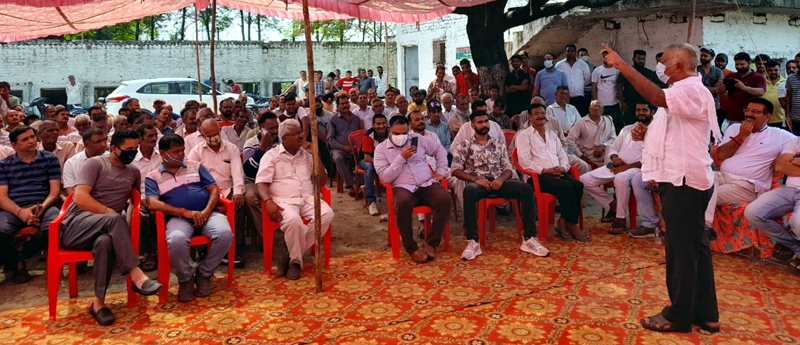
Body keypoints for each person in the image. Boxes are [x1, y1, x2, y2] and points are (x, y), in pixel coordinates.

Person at [603, 42, 721, 333]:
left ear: (679, 66)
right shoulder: (683, 92)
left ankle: (678, 316)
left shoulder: (690, 89)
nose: (661, 66)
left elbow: (656, 96)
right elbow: (675, 129)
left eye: (664, 61)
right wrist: (648, 134)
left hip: (684, 183)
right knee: (696, 249)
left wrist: (621, 65)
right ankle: (706, 313)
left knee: (681, 252)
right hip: (684, 180)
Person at [60, 129, 163, 326]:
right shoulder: (96, 164)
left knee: (105, 242)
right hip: (77, 227)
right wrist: (108, 212)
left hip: (106, 231)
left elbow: (133, 204)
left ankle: (98, 304)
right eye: (128, 149)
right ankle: (136, 275)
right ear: (114, 148)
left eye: (136, 149)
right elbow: (80, 197)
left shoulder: (133, 171)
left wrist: (128, 234)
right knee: (116, 218)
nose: (132, 153)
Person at [145, 134, 234, 303]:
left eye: (182, 150)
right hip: (179, 217)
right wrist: (184, 212)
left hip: (207, 213)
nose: (181, 154)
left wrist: (206, 212)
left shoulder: (196, 166)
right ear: (163, 153)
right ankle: (185, 278)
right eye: (176, 151)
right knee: (176, 239)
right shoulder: (153, 176)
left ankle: (204, 274)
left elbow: (214, 190)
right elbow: (153, 204)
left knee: (225, 233)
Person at [452, 110, 548, 261]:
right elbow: (455, 170)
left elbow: (508, 168)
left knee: (527, 189)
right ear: (472, 125)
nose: (484, 125)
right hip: (479, 184)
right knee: (469, 191)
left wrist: (501, 180)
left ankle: (529, 239)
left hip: (499, 182)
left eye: (486, 121)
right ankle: (473, 242)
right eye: (480, 122)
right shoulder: (465, 145)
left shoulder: (498, 144)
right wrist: (477, 180)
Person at [256, 119, 332, 279]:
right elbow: (261, 183)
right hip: (282, 200)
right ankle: (296, 262)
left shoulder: (307, 155)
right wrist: (268, 202)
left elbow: (322, 180)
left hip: (307, 199)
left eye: (301, 133)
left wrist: (315, 155)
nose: (300, 137)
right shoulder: (271, 156)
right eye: (296, 134)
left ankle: (290, 254)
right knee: (293, 221)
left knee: (326, 214)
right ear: (284, 138)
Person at [705, 97, 795, 230]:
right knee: (701, 182)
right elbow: (721, 155)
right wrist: (741, 136)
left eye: (755, 112)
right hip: (723, 176)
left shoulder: (779, 135)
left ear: (768, 117)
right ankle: (704, 228)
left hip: (748, 184)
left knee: (704, 194)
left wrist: (783, 156)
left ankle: (704, 227)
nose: (749, 115)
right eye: (747, 110)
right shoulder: (735, 128)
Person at [374, 115, 450, 263]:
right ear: (389, 131)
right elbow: (386, 177)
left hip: (426, 183)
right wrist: (401, 158)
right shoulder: (381, 150)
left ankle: (431, 243)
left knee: (444, 200)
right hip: (403, 186)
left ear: (408, 130)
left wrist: (440, 172)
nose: (401, 137)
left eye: (404, 133)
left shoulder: (417, 140)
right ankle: (411, 247)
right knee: (402, 203)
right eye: (397, 134)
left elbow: (439, 150)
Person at [516, 103, 587, 242]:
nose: (540, 116)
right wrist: (545, 170)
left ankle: (563, 221)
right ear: (530, 117)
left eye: (542, 113)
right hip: (537, 176)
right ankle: (571, 224)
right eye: (536, 114)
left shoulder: (552, 134)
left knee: (578, 186)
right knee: (566, 187)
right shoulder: (524, 135)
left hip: (557, 172)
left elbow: (562, 155)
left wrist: (563, 167)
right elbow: (524, 162)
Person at [0, 126, 61, 284]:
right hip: (14, 207)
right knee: (2, 230)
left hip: (44, 204)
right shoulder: (4, 165)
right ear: (14, 145)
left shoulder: (49, 159)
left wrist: (42, 207)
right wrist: (20, 212)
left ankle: (25, 253)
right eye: (25, 139)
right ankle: (17, 264)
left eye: (32, 137)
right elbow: (2, 197)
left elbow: (54, 191)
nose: (31, 141)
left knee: (54, 226)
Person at [580, 102, 652, 234]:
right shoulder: (627, 129)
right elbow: (614, 148)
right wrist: (614, 158)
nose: (641, 113)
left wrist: (627, 167)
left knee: (620, 178)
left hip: (638, 169)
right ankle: (612, 204)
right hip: (618, 166)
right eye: (638, 110)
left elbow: (651, 158)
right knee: (584, 180)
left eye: (644, 110)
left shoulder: (655, 132)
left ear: (652, 112)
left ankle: (620, 218)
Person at [188, 119, 245, 267]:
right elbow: (191, 177)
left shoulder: (231, 148)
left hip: (227, 188)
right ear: (202, 134)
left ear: (220, 131)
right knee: (198, 207)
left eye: (216, 133)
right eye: (209, 135)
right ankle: (204, 249)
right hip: (206, 191)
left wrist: (238, 191)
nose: (214, 138)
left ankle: (234, 247)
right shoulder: (196, 151)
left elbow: (237, 173)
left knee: (238, 203)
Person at [745, 133, 800, 274]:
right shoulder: (796, 141)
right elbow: (780, 166)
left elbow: (786, 164)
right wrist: (788, 163)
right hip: (789, 190)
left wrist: (794, 161)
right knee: (752, 212)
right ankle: (796, 248)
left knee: (798, 223)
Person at [243, 112, 280, 242]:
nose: (275, 131)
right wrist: (262, 149)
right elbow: (248, 171)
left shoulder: (282, 142)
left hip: (278, 182)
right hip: (254, 182)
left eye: (277, 127)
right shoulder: (251, 143)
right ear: (262, 129)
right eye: (271, 128)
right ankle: (265, 237)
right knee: (249, 197)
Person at [617, 50, 664, 126]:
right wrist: (622, 102)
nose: (641, 61)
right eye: (638, 59)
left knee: (646, 124)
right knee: (630, 125)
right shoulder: (626, 71)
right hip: (630, 104)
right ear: (633, 59)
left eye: (643, 59)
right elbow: (619, 86)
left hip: (645, 105)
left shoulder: (649, 73)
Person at [327, 95, 362, 196]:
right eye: (342, 104)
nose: (345, 105)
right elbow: (330, 139)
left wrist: (357, 146)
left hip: (355, 149)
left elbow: (360, 135)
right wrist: (343, 147)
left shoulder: (356, 118)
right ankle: (351, 185)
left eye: (346, 103)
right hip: (339, 148)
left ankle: (359, 184)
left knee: (365, 158)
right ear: (337, 106)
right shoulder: (333, 120)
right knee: (338, 158)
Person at [567, 100, 616, 168]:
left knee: (611, 150)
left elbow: (613, 138)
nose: (597, 108)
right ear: (589, 109)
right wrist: (581, 156)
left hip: (606, 155)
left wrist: (602, 146)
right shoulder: (581, 122)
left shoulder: (608, 120)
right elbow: (570, 140)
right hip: (589, 157)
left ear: (602, 111)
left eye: (599, 107)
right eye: (595, 106)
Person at [725, 52, 767, 128]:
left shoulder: (758, 77)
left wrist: (745, 88)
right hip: (733, 117)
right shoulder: (731, 76)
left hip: (751, 117)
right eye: (737, 64)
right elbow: (722, 91)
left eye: (742, 64)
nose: (739, 67)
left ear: (749, 63)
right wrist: (720, 86)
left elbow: (761, 92)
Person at [63, 128, 107, 196]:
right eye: (98, 142)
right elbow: (71, 192)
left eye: (105, 140)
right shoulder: (71, 163)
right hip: (82, 202)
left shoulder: (111, 158)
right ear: (86, 145)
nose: (104, 144)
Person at [360, 114, 388, 216]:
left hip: (384, 161)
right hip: (366, 160)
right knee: (369, 167)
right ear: (373, 125)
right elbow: (367, 158)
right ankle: (371, 202)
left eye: (383, 123)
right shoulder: (369, 135)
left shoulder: (391, 133)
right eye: (378, 124)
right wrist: (383, 164)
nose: (381, 126)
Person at [592, 49, 622, 133]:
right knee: (601, 127)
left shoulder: (617, 70)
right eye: (604, 57)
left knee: (614, 125)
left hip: (614, 104)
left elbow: (619, 86)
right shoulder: (597, 71)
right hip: (601, 104)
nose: (606, 59)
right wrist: (595, 102)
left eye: (608, 57)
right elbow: (594, 87)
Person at [556, 44, 591, 115]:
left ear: (575, 52)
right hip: (565, 99)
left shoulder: (583, 64)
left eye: (572, 51)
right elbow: (557, 80)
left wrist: (579, 85)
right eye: (568, 51)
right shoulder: (559, 65)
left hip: (579, 98)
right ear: (565, 52)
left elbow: (587, 79)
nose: (570, 53)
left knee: (580, 118)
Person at [697, 47, 726, 127]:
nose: (702, 57)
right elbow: (693, 88)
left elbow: (721, 89)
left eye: (705, 56)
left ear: (712, 58)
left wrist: (701, 88)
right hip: (698, 104)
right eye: (701, 55)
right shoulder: (695, 70)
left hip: (713, 104)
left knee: (712, 129)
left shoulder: (718, 71)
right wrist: (714, 88)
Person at [763, 60, 787, 128]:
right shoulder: (760, 81)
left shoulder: (785, 82)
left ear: (780, 70)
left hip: (781, 120)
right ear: (766, 70)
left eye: (776, 70)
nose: (773, 72)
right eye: (770, 70)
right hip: (763, 119)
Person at [786, 53, 800, 134]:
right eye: (797, 62)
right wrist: (787, 116)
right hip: (795, 119)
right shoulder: (791, 78)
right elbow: (788, 98)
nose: (799, 64)